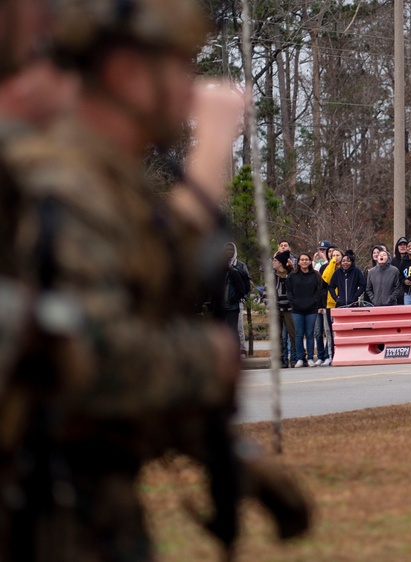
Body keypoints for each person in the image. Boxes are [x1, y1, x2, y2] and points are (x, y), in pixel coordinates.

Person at [2, 0, 310, 558]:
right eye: (180, 66)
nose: (191, 89)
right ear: (126, 75)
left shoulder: (97, 180)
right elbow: (87, 361)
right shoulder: (62, 186)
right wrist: (205, 360)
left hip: (86, 518)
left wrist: (229, 459)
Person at [287, 254, 327, 367]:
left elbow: (319, 291)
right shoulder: (292, 276)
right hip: (297, 309)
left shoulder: (316, 275)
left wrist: (313, 302)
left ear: (310, 262)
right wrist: (294, 302)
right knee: (299, 334)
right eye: (302, 260)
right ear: (298, 262)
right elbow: (289, 292)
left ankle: (310, 358)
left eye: (306, 260)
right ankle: (300, 358)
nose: (304, 262)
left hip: (311, 309)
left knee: (310, 334)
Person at [214, 242, 250, 348]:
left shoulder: (240, 265)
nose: (229, 252)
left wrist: (243, 297)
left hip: (236, 302)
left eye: (231, 250)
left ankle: (241, 349)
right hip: (221, 303)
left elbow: (246, 284)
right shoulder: (219, 266)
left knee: (237, 328)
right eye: (227, 250)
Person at [273, 250, 297, 368]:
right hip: (276, 309)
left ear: (281, 263)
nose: (274, 262)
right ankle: (281, 359)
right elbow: (267, 292)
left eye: (276, 261)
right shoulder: (272, 276)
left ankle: (296, 357)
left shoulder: (291, 275)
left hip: (289, 308)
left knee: (293, 334)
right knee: (278, 336)